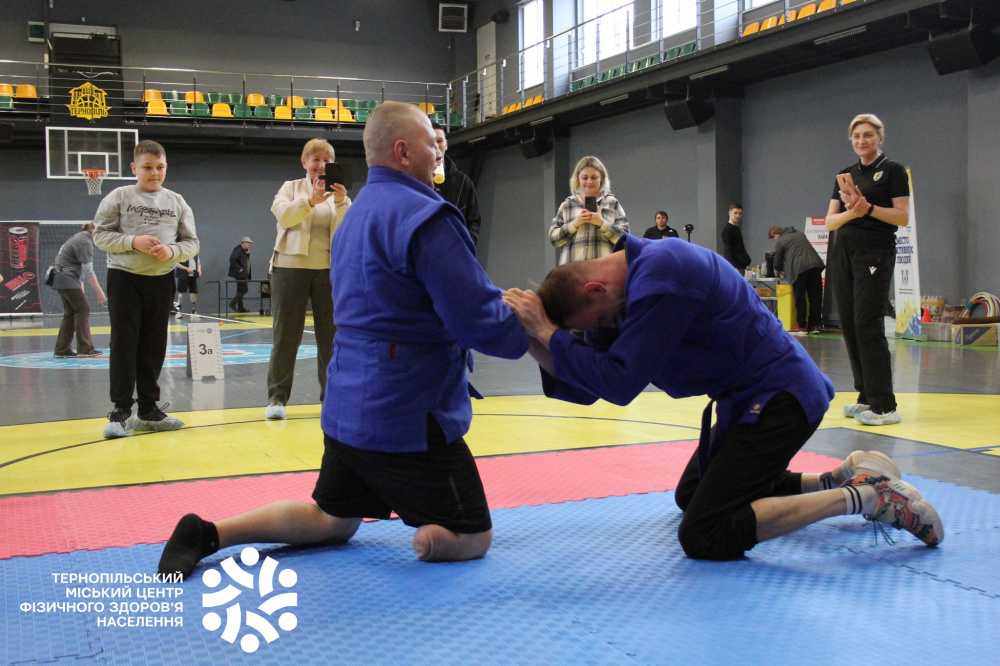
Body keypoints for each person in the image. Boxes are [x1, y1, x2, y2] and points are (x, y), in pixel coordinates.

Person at [158, 101, 529, 580]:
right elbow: (480, 322)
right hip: (406, 415)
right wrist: (534, 325)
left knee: (331, 519)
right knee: (472, 535)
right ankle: (430, 539)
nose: (439, 153)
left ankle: (209, 532)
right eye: (430, 144)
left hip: (347, 409)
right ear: (402, 151)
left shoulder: (355, 214)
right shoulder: (427, 216)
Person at [502, 235, 942, 561]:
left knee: (705, 533)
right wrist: (530, 337)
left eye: (596, 322)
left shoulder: (664, 272)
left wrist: (546, 332)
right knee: (692, 494)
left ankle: (869, 496)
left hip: (782, 399)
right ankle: (835, 479)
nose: (601, 330)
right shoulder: (617, 296)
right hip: (749, 400)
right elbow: (588, 386)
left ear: (594, 289)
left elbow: (619, 384)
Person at [93, 140, 199, 439]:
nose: (154, 173)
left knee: (154, 344)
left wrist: (172, 251)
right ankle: (120, 411)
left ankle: (148, 410)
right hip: (124, 278)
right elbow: (100, 235)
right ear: (134, 168)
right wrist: (132, 242)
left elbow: (192, 243)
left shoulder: (177, 201)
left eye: (160, 167)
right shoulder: (119, 196)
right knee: (124, 342)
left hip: (161, 279)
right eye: (148, 167)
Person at [825, 114, 909, 427]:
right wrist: (852, 212)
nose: (862, 140)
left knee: (867, 322)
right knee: (849, 323)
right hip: (843, 252)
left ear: (879, 138)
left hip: (875, 251)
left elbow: (902, 217)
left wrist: (869, 208)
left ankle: (885, 406)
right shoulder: (845, 175)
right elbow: (830, 222)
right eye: (857, 136)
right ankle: (865, 396)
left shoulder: (892, 170)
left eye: (868, 135)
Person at [265, 139, 351, 420]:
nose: (321, 165)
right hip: (290, 268)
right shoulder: (290, 188)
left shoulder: (341, 196)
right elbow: (284, 216)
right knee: (286, 336)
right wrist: (310, 201)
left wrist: (341, 203)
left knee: (331, 337)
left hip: (329, 271)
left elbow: (349, 229)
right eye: (316, 159)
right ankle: (277, 398)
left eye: (327, 160)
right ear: (304, 162)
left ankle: (332, 398)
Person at [548, 156, 628, 265]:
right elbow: (554, 239)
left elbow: (625, 240)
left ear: (602, 178)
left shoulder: (612, 203)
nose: (589, 182)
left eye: (594, 177)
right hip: (573, 271)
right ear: (578, 178)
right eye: (585, 177)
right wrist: (574, 224)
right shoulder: (567, 205)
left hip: (603, 270)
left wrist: (602, 223)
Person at [49, 222, 107, 358]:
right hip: (66, 277)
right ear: (92, 229)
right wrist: (99, 292)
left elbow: (78, 268)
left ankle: (62, 349)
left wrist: (80, 287)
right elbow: (88, 271)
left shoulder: (79, 237)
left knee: (71, 312)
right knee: (83, 308)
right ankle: (85, 348)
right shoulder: (84, 242)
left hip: (62, 277)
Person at [769, 225, 825, 335]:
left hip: (800, 269)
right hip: (816, 265)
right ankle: (815, 325)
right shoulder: (799, 233)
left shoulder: (781, 241)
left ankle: (802, 326)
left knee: (800, 298)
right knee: (815, 297)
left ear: (775, 235)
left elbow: (777, 261)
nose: (775, 240)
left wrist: (777, 271)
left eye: (773, 238)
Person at [432, 122, 482, 246]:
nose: (436, 146)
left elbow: (474, 221)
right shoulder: (415, 180)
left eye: (439, 141)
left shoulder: (463, 181)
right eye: (431, 142)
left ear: (446, 144)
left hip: (456, 250)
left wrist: (465, 245)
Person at [720, 203, 751, 274]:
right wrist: (732, 267)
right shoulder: (728, 230)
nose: (738, 216)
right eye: (735, 213)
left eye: (740, 213)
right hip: (736, 268)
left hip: (740, 266)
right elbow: (727, 250)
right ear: (730, 213)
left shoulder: (736, 228)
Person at [227, 237, 253, 313]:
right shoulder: (238, 250)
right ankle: (233, 303)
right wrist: (239, 268)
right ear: (244, 243)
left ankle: (240, 307)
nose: (249, 245)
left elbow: (244, 260)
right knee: (244, 289)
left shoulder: (242, 250)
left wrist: (247, 253)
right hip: (240, 274)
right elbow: (232, 259)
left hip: (242, 274)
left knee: (240, 290)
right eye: (248, 244)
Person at [172, 253, 201, 318]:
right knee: (181, 292)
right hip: (183, 275)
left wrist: (199, 270)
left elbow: (198, 262)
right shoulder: (181, 252)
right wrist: (186, 268)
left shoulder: (195, 252)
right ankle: (178, 311)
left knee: (193, 292)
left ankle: (194, 311)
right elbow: (176, 263)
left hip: (193, 275)